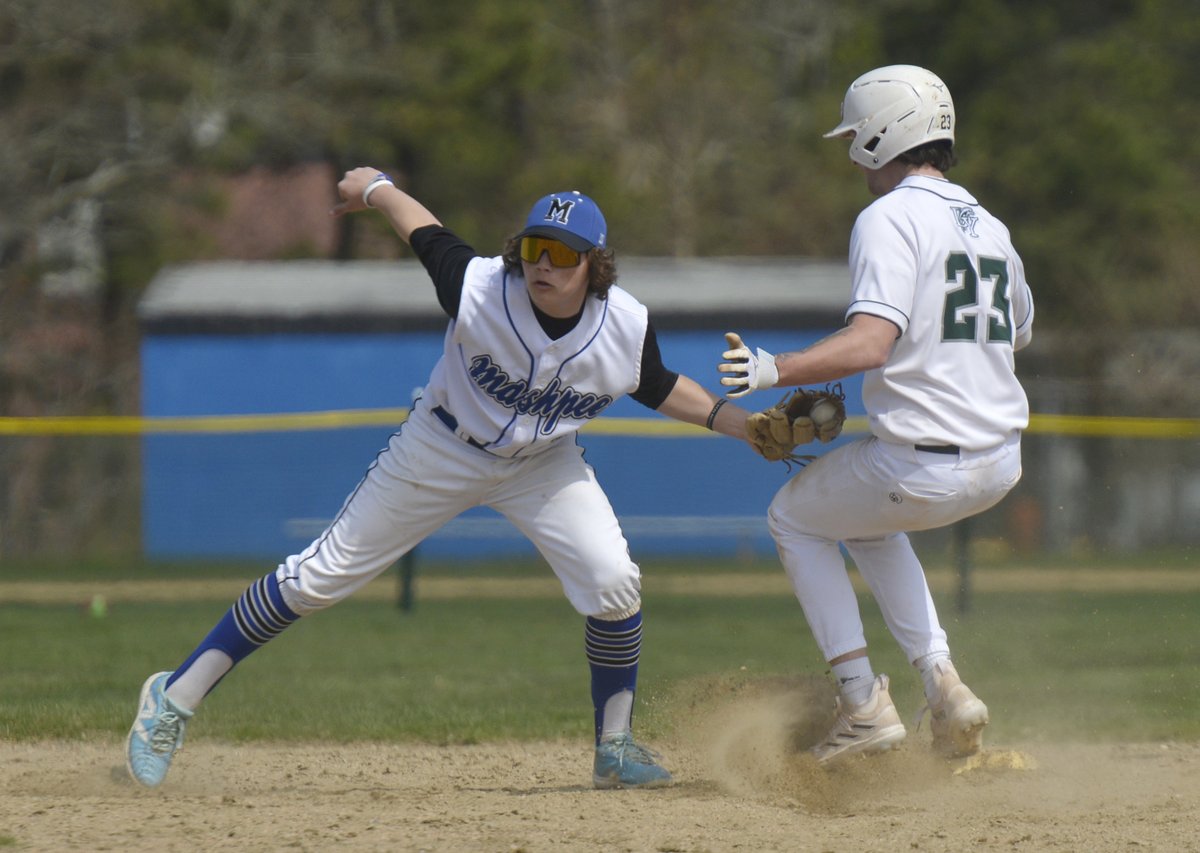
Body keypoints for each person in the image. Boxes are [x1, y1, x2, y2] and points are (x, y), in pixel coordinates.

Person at [126, 170, 751, 790]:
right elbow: (421, 226)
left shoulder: (625, 325)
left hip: (542, 464)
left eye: (562, 253)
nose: (543, 264)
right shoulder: (478, 286)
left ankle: (614, 748)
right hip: (441, 447)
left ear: (594, 263)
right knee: (317, 579)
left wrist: (745, 426)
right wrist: (374, 186)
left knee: (613, 581)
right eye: (535, 248)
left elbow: (660, 386)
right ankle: (172, 699)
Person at [718, 65, 1034, 765]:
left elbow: (870, 343)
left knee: (793, 517)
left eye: (858, 132)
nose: (852, 146)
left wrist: (778, 368)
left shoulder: (887, 218)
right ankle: (945, 688)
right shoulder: (990, 224)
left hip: (924, 464)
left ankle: (861, 702)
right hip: (1000, 459)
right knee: (862, 518)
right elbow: (1015, 332)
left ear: (883, 134)